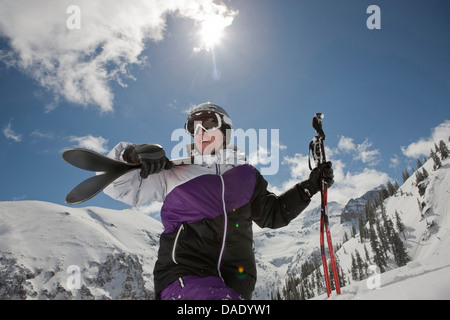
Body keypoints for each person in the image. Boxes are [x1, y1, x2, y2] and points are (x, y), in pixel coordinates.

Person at [103, 102, 334, 300]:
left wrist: (310, 186)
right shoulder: (173, 172)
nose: (201, 131)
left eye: (209, 123)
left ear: (226, 129)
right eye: (194, 127)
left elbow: (274, 214)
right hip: (183, 276)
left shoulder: (247, 175)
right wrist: (130, 156)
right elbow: (119, 187)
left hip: (235, 286)